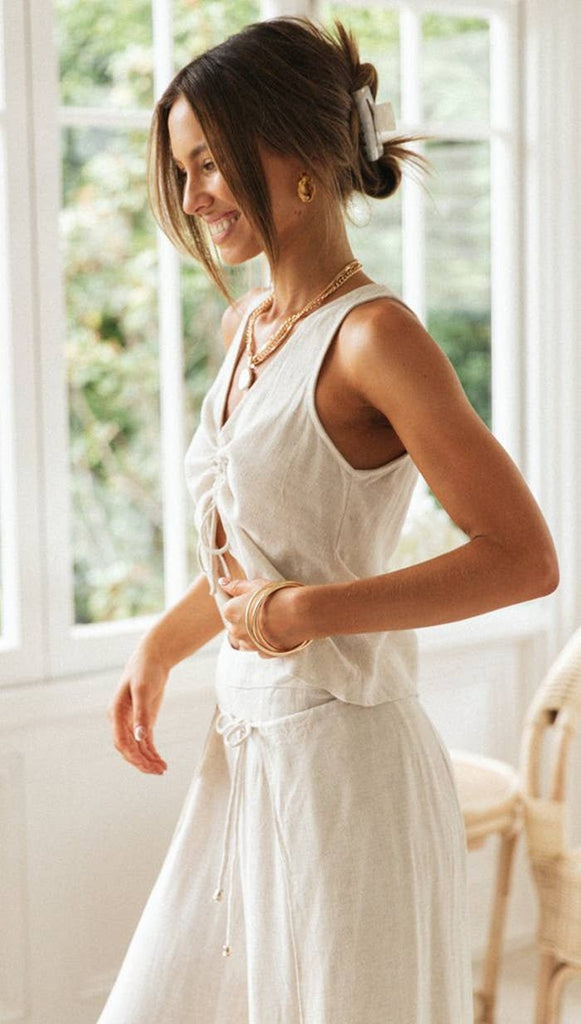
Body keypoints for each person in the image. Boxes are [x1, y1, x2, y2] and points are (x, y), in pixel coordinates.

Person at [98, 15, 559, 1024]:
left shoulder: (373, 337)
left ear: (299, 156)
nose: (195, 197)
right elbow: (259, 559)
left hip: (348, 774)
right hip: (249, 752)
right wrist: (162, 644)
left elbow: (522, 560)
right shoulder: (246, 325)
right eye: (181, 172)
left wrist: (305, 612)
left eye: (212, 162)